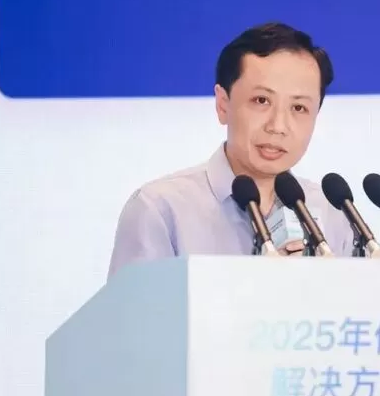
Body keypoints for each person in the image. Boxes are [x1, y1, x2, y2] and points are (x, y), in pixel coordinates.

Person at [107, 22, 352, 279]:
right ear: (223, 105)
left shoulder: (333, 214)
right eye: (261, 101)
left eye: (299, 108)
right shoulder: (161, 210)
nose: (278, 126)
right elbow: (134, 306)